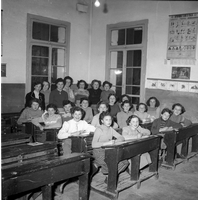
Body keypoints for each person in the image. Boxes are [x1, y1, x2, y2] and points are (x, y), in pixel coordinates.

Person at [92, 111, 129, 180]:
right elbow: (93, 144)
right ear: (102, 121)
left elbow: (121, 137)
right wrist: (107, 143)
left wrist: (115, 141)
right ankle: (109, 177)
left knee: (125, 162)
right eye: (106, 120)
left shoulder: (110, 129)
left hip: (109, 150)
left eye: (110, 120)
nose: (109, 121)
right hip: (99, 152)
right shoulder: (99, 129)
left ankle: (110, 175)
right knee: (111, 163)